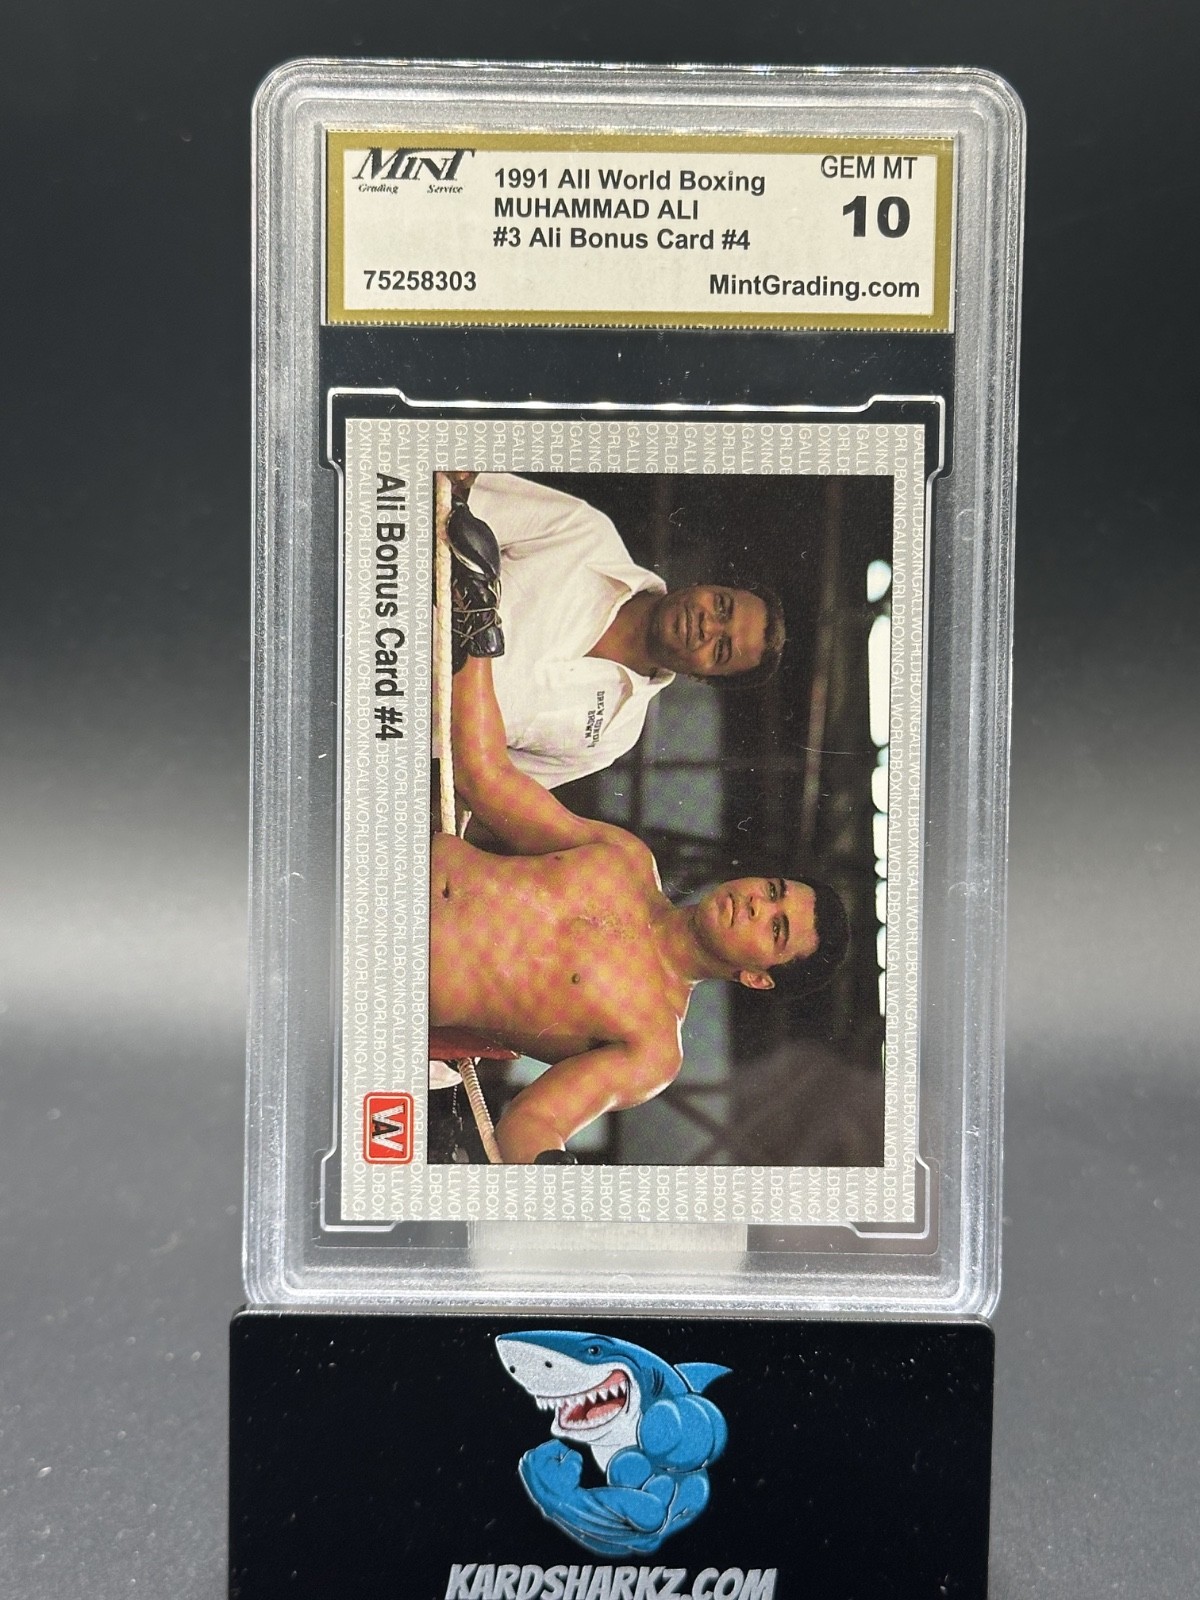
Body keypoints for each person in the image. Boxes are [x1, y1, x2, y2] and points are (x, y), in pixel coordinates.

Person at [434, 655, 849, 1163]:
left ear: (758, 978)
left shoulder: (653, 1046)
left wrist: (552, 1178)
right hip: (379, 856)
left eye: (775, 928)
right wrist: (477, 641)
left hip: (374, 974)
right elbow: (486, 777)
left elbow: (535, 1121)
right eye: (772, 889)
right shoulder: (628, 859)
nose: (755, 904)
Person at [444, 471, 786, 788]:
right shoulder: (586, 532)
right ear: (705, 584)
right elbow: (446, 505)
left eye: (721, 649)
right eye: (721, 606)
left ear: (704, 678)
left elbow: (478, 788)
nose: (706, 624)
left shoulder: (613, 737)